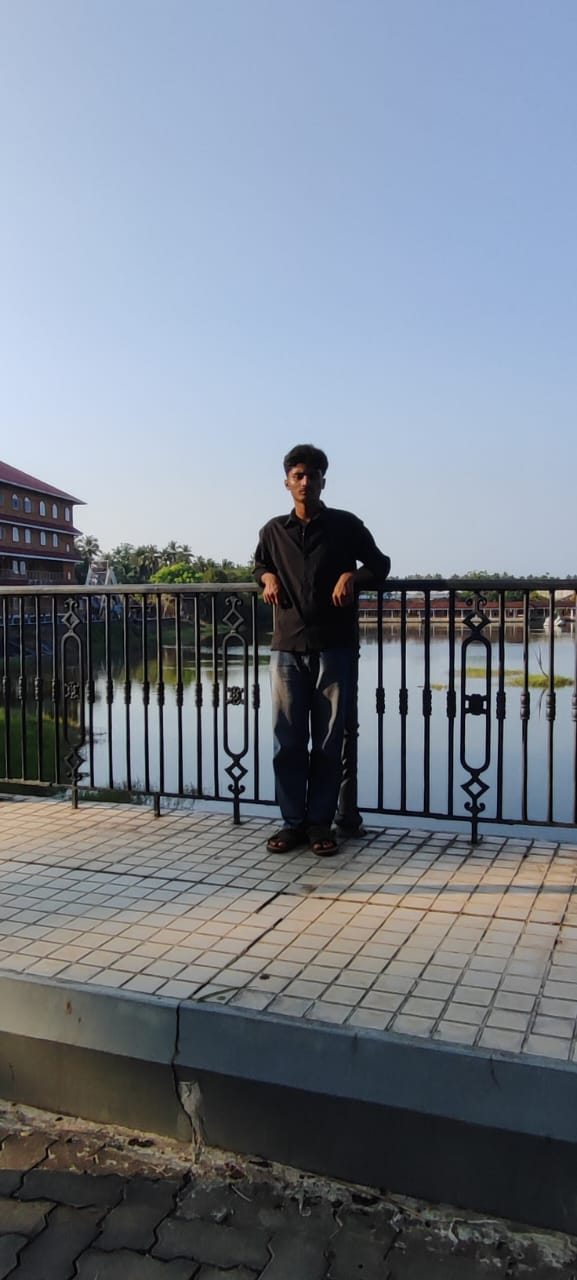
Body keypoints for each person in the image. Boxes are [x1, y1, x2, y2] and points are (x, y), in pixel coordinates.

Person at [254, 444, 390, 855]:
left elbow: (380, 565)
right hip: (287, 647)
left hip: (335, 648)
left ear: (323, 482)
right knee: (287, 741)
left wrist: (352, 576)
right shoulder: (273, 531)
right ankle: (292, 824)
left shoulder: (346, 525)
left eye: (312, 476)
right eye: (298, 475)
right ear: (286, 483)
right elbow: (259, 564)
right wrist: (267, 578)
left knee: (329, 742)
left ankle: (320, 825)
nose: (305, 482)